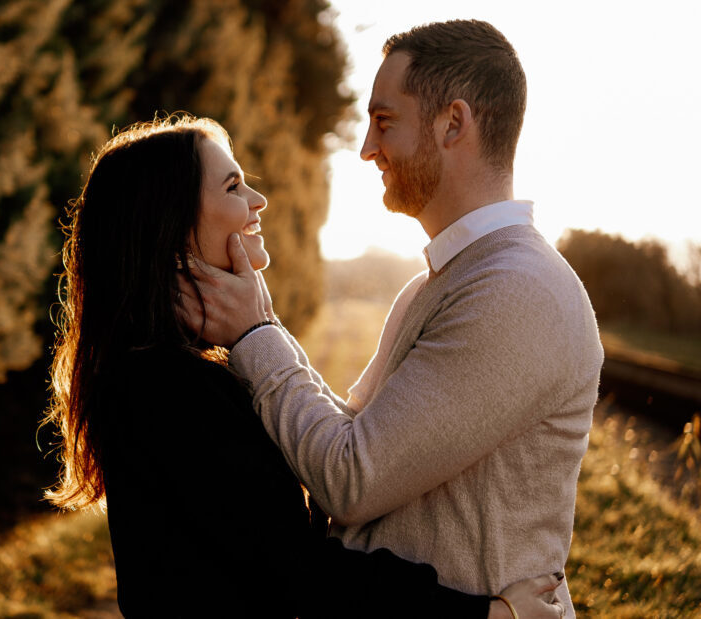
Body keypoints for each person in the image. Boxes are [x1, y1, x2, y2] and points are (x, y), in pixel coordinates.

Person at [44, 113, 565, 618]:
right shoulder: (168, 388)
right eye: (232, 187)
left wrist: (259, 330)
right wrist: (489, 615)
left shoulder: (172, 372)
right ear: (170, 225)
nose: (258, 200)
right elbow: (304, 575)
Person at [180, 20, 603, 618]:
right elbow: (340, 444)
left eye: (384, 122)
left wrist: (255, 335)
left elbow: (350, 480)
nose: (367, 149)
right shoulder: (434, 286)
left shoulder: (516, 290)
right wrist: (261, 323)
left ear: (453, 123)